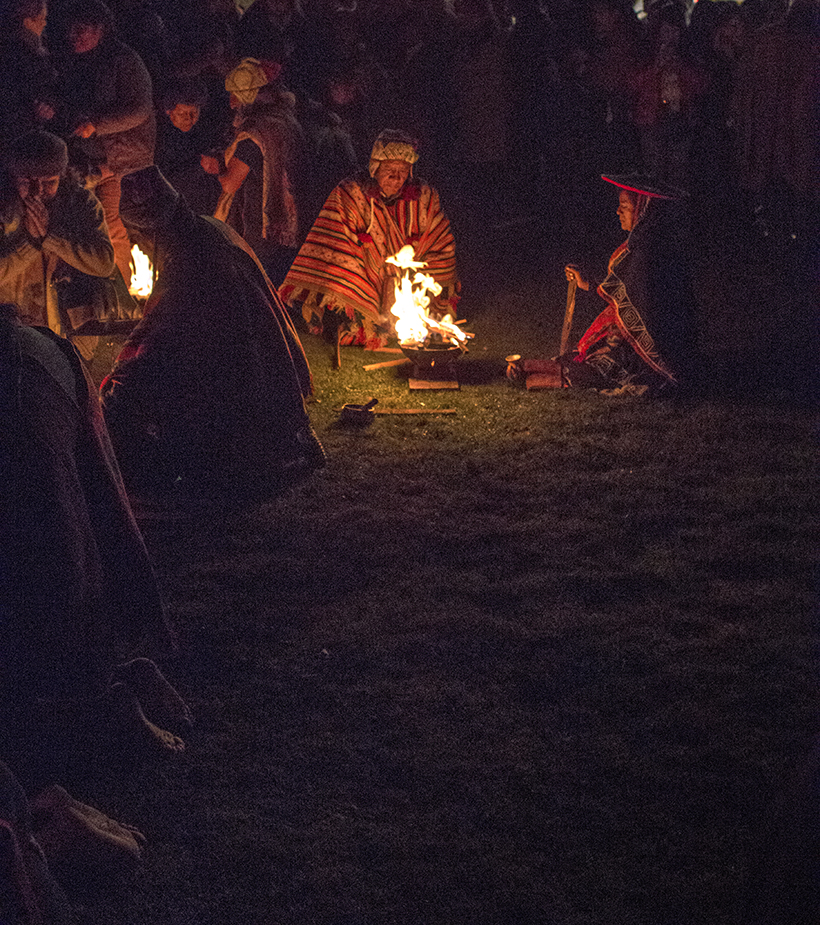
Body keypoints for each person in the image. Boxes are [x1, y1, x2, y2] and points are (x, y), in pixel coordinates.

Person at [0, 303, 183, 785]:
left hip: (25, 383)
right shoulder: (35, 353)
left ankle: (102, 701)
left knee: (52, 557)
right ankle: (116, 675)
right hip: (36, 356)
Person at [100, 166, 324, 499]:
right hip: (250, 356)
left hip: (231, 372)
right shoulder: (205, 228)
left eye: (141, 235)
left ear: (155, 228)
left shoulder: (191, 260)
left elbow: (163, 333)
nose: (140, 246)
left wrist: (122, 372)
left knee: (132, 400)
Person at [279, 129, 459, 350]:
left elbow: (439, 238)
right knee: (346, 259)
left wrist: (410, 261)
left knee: (441, 255)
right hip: (365, 264)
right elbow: (338, 236)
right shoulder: (351, 192)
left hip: (412, 268)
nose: (397, 178)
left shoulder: (424, 195)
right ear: (375, 168)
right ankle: (365, 321)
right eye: (390, 170)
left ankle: (424, 319)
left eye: (403, 171)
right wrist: (377, 259)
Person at [560, 173, 697, 395]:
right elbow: (626, 293)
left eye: (625, 207)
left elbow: (639, 304)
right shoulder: (650, 243)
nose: (618, 212)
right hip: (654, 343)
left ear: (643, 210)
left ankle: (529, 373)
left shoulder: (648, 251)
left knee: (587, 368)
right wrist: (586, 283)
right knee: (584, 360)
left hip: (656, 350)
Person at [55, 0, 156, 285]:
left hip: (120, 160)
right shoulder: (74, 62)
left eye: (81, 29)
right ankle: (107, 289)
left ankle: (135, 290)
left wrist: (97, 124)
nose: (73, 36)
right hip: (87, 161)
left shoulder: (123, 60)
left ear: (100, 29)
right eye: (70, 29)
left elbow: (140, 110)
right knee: (91, 225)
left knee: (116, 226)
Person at [0, 130, 114, 348]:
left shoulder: (81, 203)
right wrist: (30, 244)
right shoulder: (4, 206)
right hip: (12, 327)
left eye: (49, 182)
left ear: (62, 176)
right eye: (27, 182)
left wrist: (51, 236)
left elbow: (104, 263)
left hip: (70, 327)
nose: (38, 191)